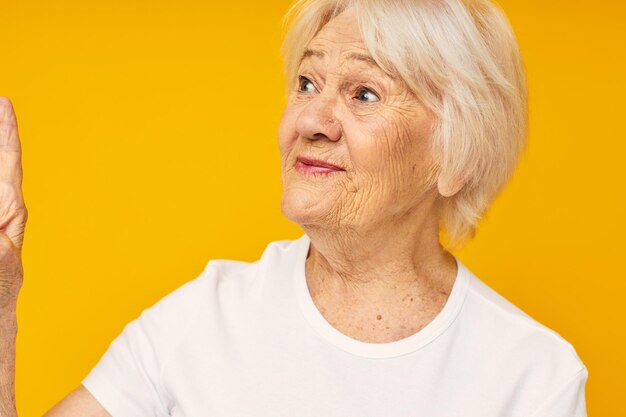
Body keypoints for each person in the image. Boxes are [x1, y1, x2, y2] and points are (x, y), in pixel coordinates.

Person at [0, 0, 588, 415]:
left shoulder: (534, 378)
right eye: (307, 83)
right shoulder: (205, 318)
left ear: (458, 153)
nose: (309, 120)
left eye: (363, 94)